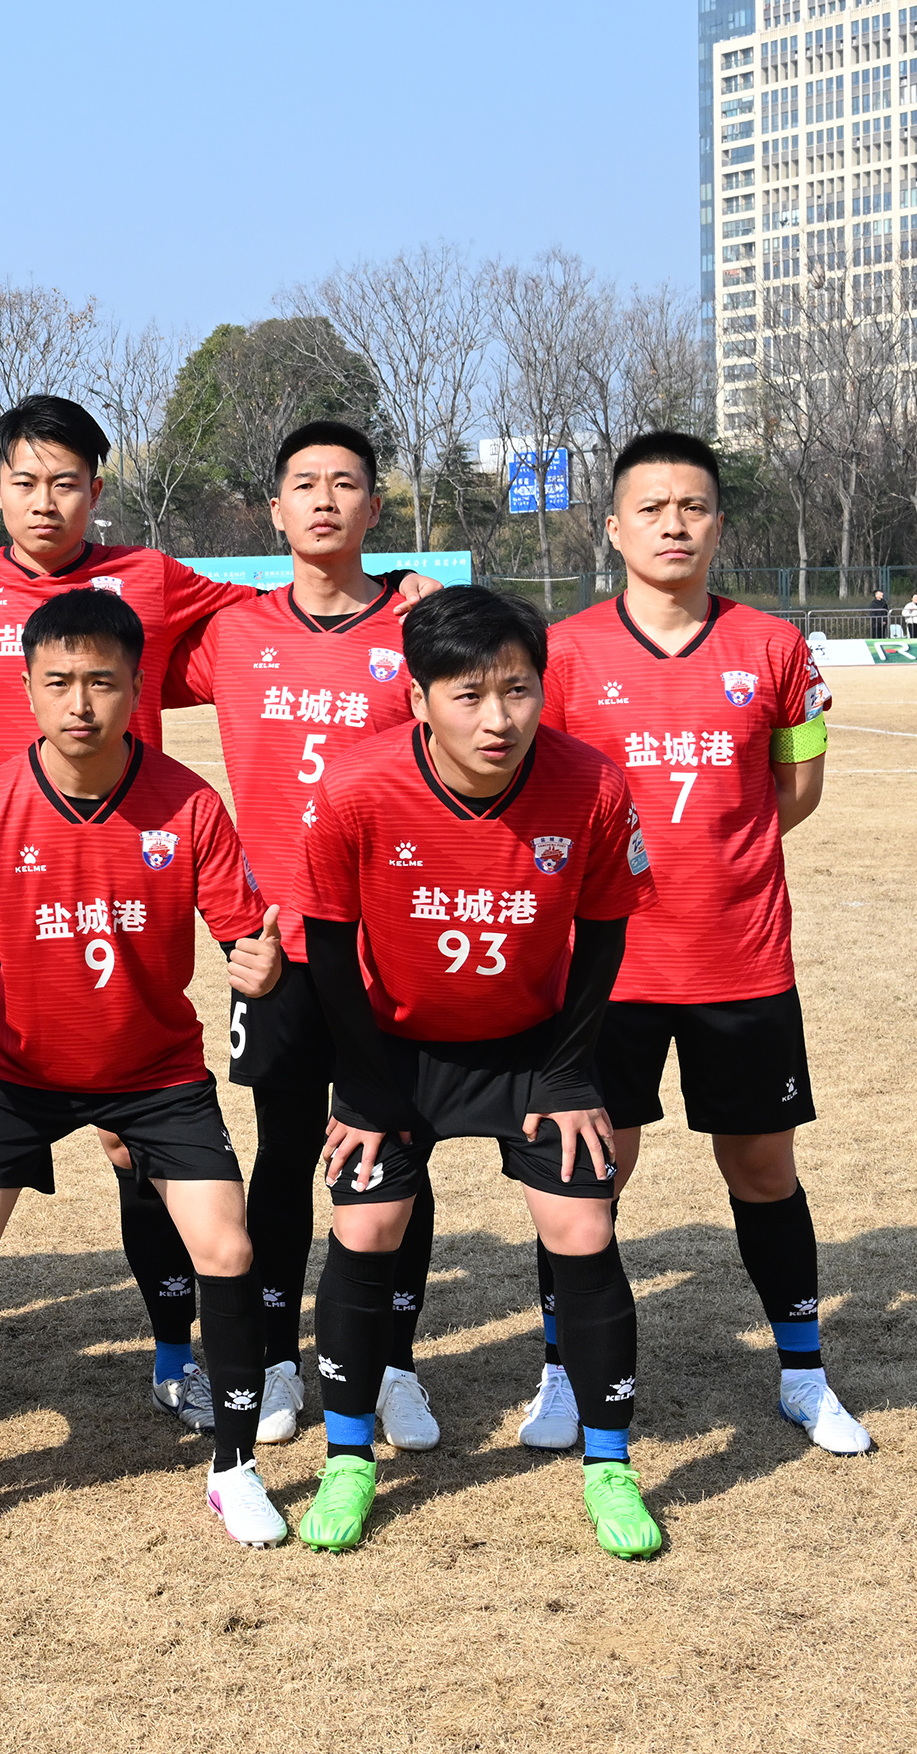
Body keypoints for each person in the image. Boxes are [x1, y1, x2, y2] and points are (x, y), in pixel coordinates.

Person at [0, 395, 264, 1434]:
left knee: (135, 1141)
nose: (45, 502)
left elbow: (266, 613)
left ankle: (175, 1352)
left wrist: (395, 594)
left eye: (67, 482)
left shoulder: (150, 577)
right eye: (25, 481)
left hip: (121, 876)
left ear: (97, 488)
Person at [0, 589, 286, 1546]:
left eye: (102, 682)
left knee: (227, 1249)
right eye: (58, 681)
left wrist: (260, 967)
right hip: (16, 1071)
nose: (79, 703)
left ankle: (234, 1470)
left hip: (156, 1073)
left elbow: (246, 938)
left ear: (137, 689)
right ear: (26, 688)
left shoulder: (189, 802)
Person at [289, 586, 663, 1558]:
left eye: (517, 689)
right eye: (468, 694)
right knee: (366, 1225)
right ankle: (348, 1456)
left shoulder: (593, 786)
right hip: (396, 1051)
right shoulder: (355, 788)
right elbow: (327, 947)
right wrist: (363, 1085)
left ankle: (610, 1464)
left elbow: (605, 936)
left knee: (584, 1225)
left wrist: (570, 1073)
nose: (498, 718)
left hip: (535, 1049)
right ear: (418, 699)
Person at [536, 430, 867, 1463]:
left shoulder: (775, 648)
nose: (672, 525)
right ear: (613, 528)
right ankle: (562, 1371)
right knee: (589, 1176)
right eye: (651, 508)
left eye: (693, 507)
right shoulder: (563, 653)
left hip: (741, 959)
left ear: (720, 522)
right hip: (607, 967)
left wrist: (721, 854)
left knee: (762, 1168)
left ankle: (803, 1373)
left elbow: (795, 789)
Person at [166, 420, 443, 1457]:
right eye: (305, 485)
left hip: (393, 938)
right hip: (274, 941)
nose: (325, 500)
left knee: (398, 1143)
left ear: (376, 505)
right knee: (284, 1150)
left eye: (346, 483)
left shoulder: (417, 624)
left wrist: (422, 596)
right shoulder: (232, 632)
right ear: (274, 510)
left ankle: (393, 1362)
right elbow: (91, 633)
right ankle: (278, 1358)